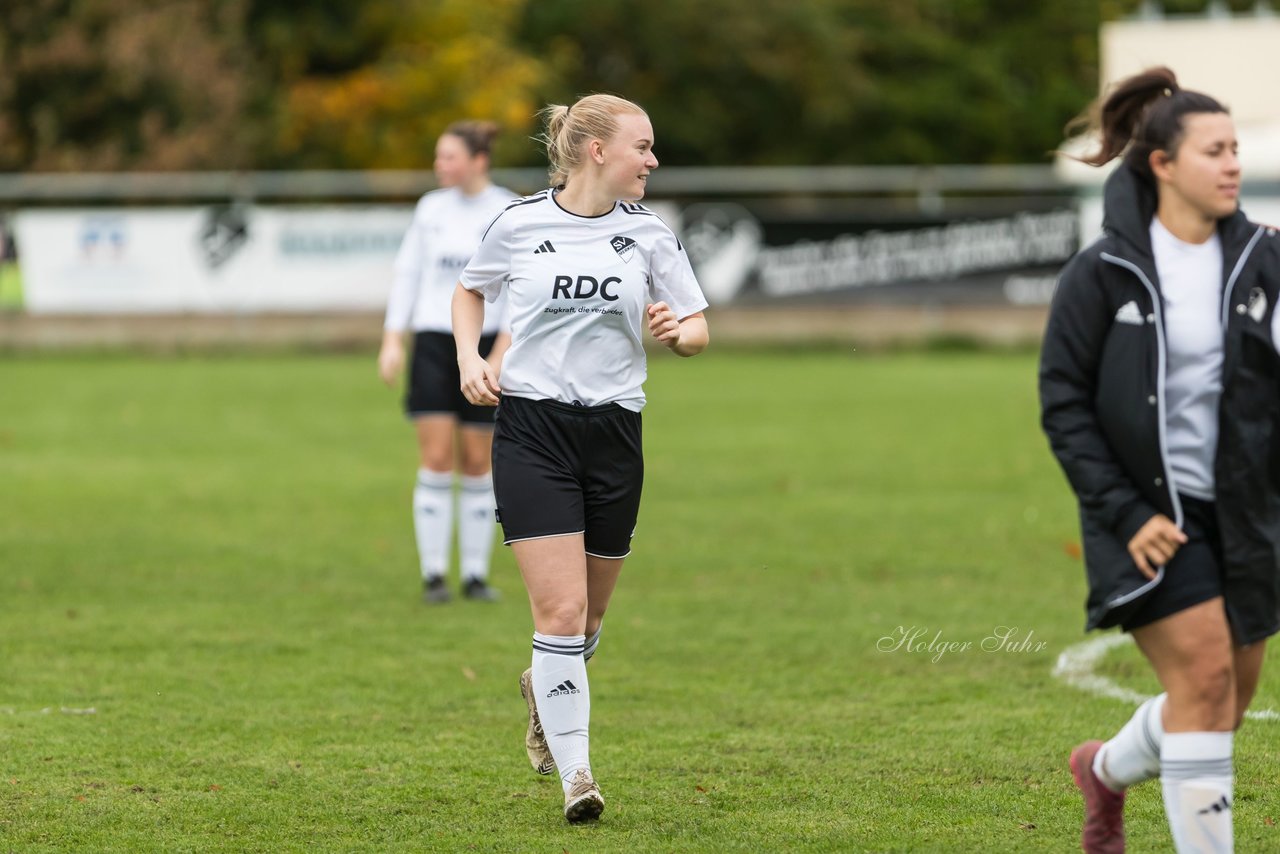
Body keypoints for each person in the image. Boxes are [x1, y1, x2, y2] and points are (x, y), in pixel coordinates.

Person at [1040, 67, 1280, 854]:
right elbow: (1064, 404)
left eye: (1236, 149)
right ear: (1162, 165)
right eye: (1214, 150)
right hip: (1145, 515)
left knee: (1222, 703)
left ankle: (1104, 769)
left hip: (1244, 511)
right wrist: (1127, 511)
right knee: (1204, 682)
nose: (1234, 165)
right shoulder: (1100, 273)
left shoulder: (1264, 261)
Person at [452, 93, 709, 823]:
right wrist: (471, 357)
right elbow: (468, 292)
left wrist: (677, 333)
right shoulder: (520, 222)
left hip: (614, 435)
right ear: (597, 150)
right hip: (532, 429)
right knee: (559, 611)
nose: (653, 161)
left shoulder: (651, 235)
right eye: (644, 147)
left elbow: (696, 327)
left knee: (588, 618)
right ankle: (580, 778)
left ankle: (544, 685)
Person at [379, 121, 515, 604]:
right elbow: (408, 274)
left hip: (487, 346)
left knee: (479, 462)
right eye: (438, 157)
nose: (439, 166)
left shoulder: (508, 209)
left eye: (449, 157)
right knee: (436, 457)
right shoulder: (430, 209)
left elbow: (523, 292)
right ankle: (434, 575)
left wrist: (499, 355)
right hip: (435, 345)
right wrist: (393, 340)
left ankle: (475, 576)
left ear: (479, 160)